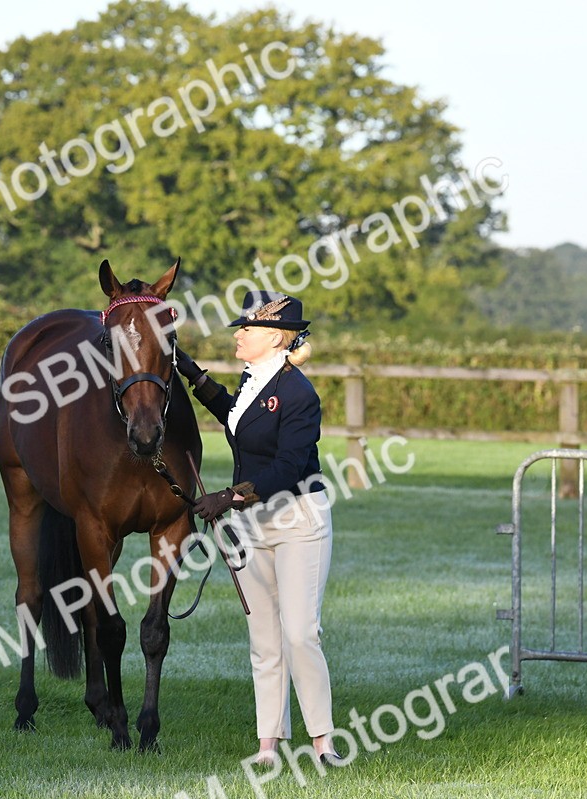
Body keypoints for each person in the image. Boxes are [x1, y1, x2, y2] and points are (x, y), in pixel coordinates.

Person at [176, 291, 339, 766]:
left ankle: (322, 740)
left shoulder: (300, 394)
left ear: (273, 337)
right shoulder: (253, 382)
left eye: (245, 328)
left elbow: (289, 467)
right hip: (250, 523)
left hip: (297, 520)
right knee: (263, 637)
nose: (238, 334)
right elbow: (235, 417)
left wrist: (226, 497)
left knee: (300, 633)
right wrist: (191, 372)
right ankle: (269, 743)